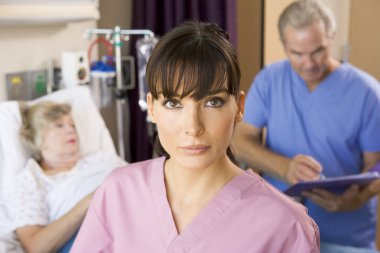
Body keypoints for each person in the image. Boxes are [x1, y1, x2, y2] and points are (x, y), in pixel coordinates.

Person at [70, 21, 319, 253]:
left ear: (239, 107)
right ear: (152, 108)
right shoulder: (118, 192)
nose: (193, 127)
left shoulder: (287, 225)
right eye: (172, 103)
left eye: (213, 102)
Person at [232, 0, 380, 252]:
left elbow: (375, 165)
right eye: (297, 54)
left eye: (318, 51)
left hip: (346, 237)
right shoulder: (270, 80)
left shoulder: (367, 92)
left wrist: (355, 199)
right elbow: (239, 140)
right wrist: (284, 167)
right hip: (280, 232)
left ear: (332, 38)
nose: (309, 63)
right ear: (285, 46)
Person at [6, 101, 126, 253]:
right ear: (37, 138)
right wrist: (93, 199)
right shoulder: (29, 181)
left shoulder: (103, 158)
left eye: (73, 125)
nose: (71, 130)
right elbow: (35, 247)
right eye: (59, 125)